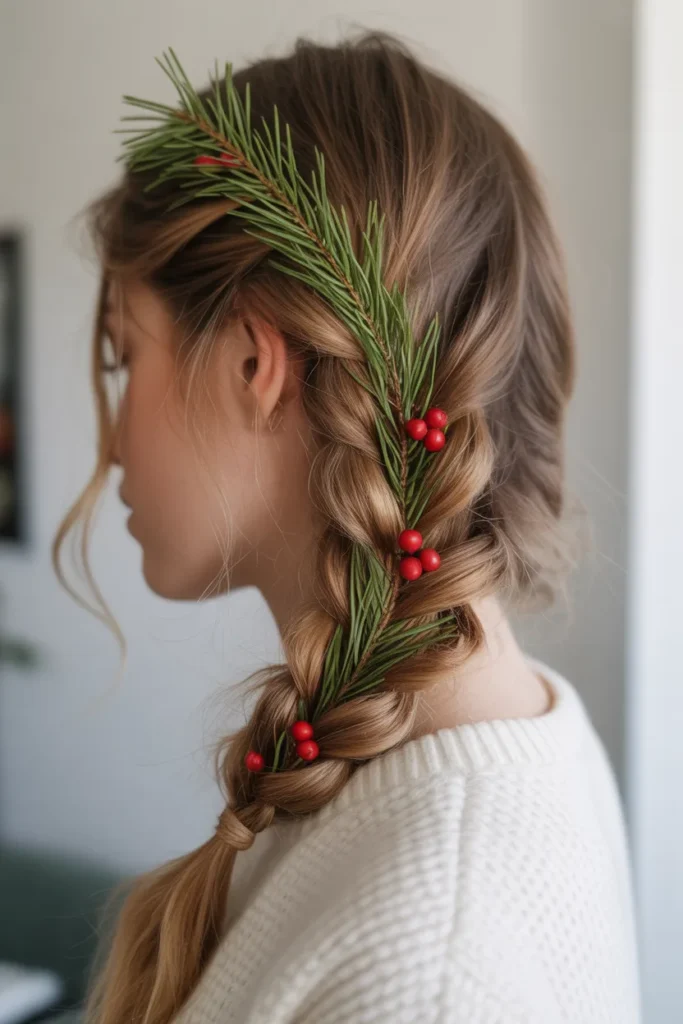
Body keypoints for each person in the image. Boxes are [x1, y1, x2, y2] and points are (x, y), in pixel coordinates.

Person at [52, 29, 641, 1024]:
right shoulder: (518, 727)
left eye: (125, 355)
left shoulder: (430, 977)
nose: (110, 447)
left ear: (252, 360)